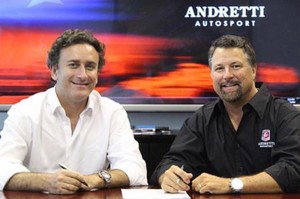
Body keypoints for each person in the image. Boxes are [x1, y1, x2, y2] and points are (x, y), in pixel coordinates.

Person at [0, 29, 147, 194]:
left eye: (90, 67)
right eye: (73, 65)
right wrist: (47, 182)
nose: (82, 75)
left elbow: (135, 169)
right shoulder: (24, 111)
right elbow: (2, 168)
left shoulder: (113, 112)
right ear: (55, 71)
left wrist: (94, 179)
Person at [151, 35, 300, 194]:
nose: (227, 75)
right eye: (219, 68)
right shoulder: (201, 119)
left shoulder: (285, 115)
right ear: (211, 74)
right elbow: (172, 162)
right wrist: (168, 177)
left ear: (254, 70)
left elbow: (293, 170)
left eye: (235, 66)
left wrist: (232, 185)